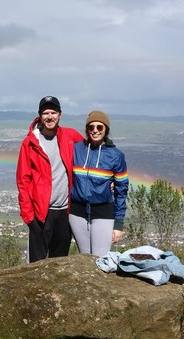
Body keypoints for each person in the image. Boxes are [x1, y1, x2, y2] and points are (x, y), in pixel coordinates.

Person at [16, 96, 84, 263]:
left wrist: (110, 179)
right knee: (36, 264)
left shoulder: (71, 136)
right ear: (39, 116)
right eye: (45, 113)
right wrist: (29, 217)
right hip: (40, 214)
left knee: (59, 262)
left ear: (60, 115)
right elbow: (22, 181)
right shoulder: (30, 143)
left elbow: (92, 152)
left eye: (53, 112)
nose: (50, 116)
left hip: (65, 212)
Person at [69, 110, 129, 257]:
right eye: (91, 127)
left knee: (99, 258)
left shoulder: (116, 156)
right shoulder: (76, 149)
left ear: (106, 130)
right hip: (77, 212)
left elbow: (121, 191)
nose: (95, 131)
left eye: (99, 127)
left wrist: (119, 224)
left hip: (103, 211)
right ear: (87, 129)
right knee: (84, 258)